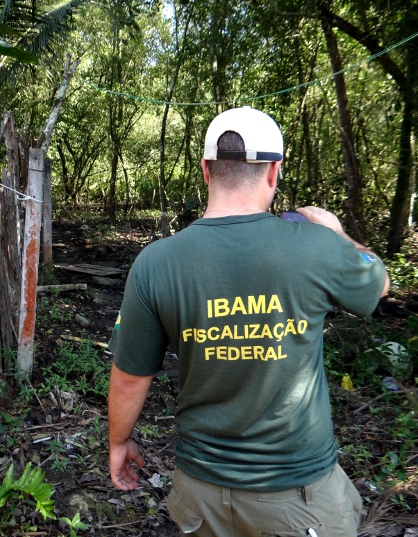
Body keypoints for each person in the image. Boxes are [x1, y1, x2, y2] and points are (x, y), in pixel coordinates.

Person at [107, 106, 390, 537]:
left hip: (201, 494)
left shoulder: (156, 263)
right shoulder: (315, 246)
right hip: (299, 499)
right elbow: (379, 282)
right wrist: (336, 232)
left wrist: (118, 443)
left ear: (205, 170)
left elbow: (129, 377)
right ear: (274, 171)